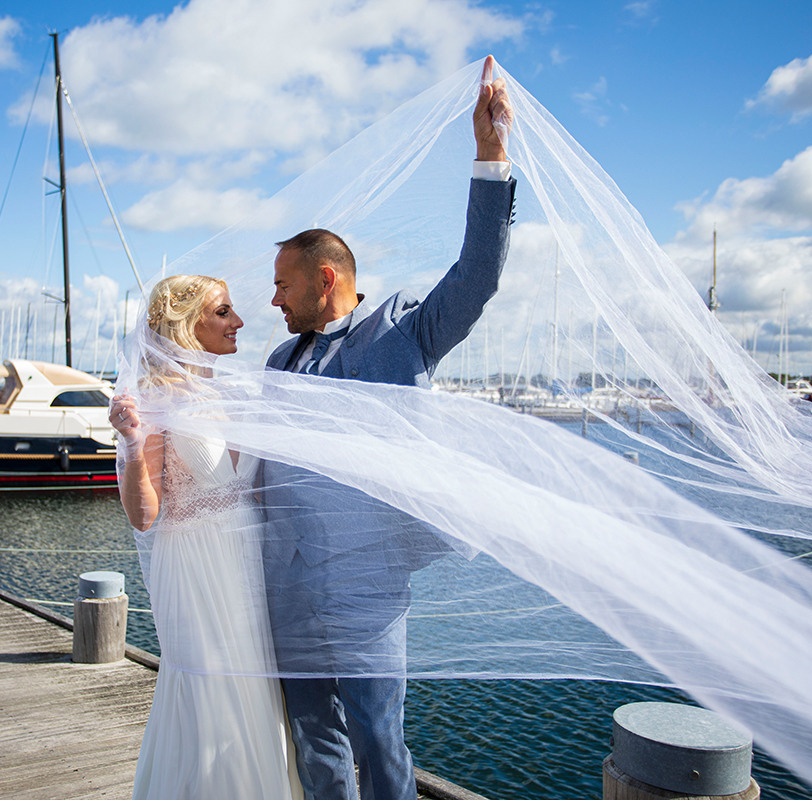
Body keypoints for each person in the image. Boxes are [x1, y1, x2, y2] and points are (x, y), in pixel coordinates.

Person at [261, 56, 515, 800]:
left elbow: (478, 276)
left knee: (379, 739)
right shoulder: (279, 357)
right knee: (315, 743)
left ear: (325, 278)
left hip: (368, 591)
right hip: (289, 585)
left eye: (282, 284)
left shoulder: (403, 330)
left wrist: (491, 158)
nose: (273, 299)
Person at [110, 275, 303, 800]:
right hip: (195, 561)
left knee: (257, 683)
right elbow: (143, 516)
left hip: (250, 559)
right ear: (187, 323)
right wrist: (130, 444)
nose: (238, 321)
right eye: (223, 312)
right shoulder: (152, 399)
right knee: (210, 691)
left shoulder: (238, 390)